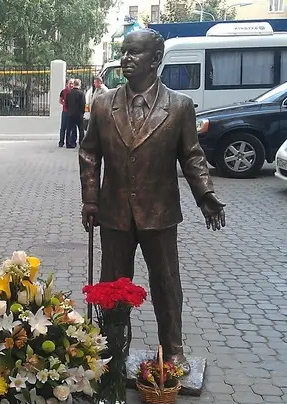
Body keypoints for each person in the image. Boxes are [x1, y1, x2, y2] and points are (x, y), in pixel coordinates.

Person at [79, 28, 226, 374]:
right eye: (123, 52)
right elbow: (89, 154)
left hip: (159, 213)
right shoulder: (103, 104)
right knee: (112, 287)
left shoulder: (179, 107)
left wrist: (205, 195)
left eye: (134, 53)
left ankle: (172, 349)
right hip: (114, 213)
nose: (125, 59)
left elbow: (192, 156)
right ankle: (112, 349)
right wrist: (89, 200)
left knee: (166, 284)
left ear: (155, 60)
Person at [65, 78, 85, 148]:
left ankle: (68, 143)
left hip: (70, 114)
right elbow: (83, 104)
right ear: (79, 84)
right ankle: (81, 143)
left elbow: (66, 104)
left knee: (69, 129)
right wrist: (82, 112)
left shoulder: (69, 93)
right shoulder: (81, 93)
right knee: (81, 129)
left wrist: (69, 111)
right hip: (79, 115)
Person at [58, 78, 75, 147]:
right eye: (69, 83)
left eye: (72, 83)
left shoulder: (75, 92)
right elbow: (60, 100)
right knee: (63, 127)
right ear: (67, 84)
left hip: (73, 112)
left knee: (73, 128)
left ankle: (72, 142)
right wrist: (64, 104)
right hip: (65, 112)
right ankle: (61, 142)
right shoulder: (63, 91)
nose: (71, 85)